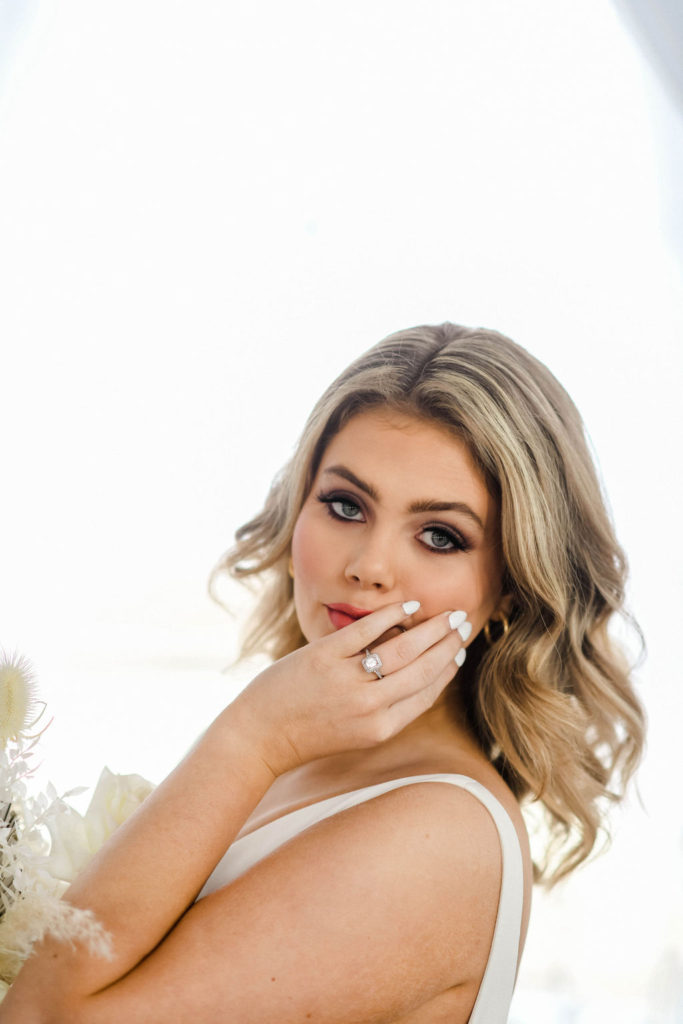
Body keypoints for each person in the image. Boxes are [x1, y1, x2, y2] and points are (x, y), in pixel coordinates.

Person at [0, 323, 645, 1023]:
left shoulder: (436, 835)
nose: (368, 566)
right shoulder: (303, 761)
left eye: (439, 536)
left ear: (512, 589)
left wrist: (251, 735)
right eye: (345, 505)